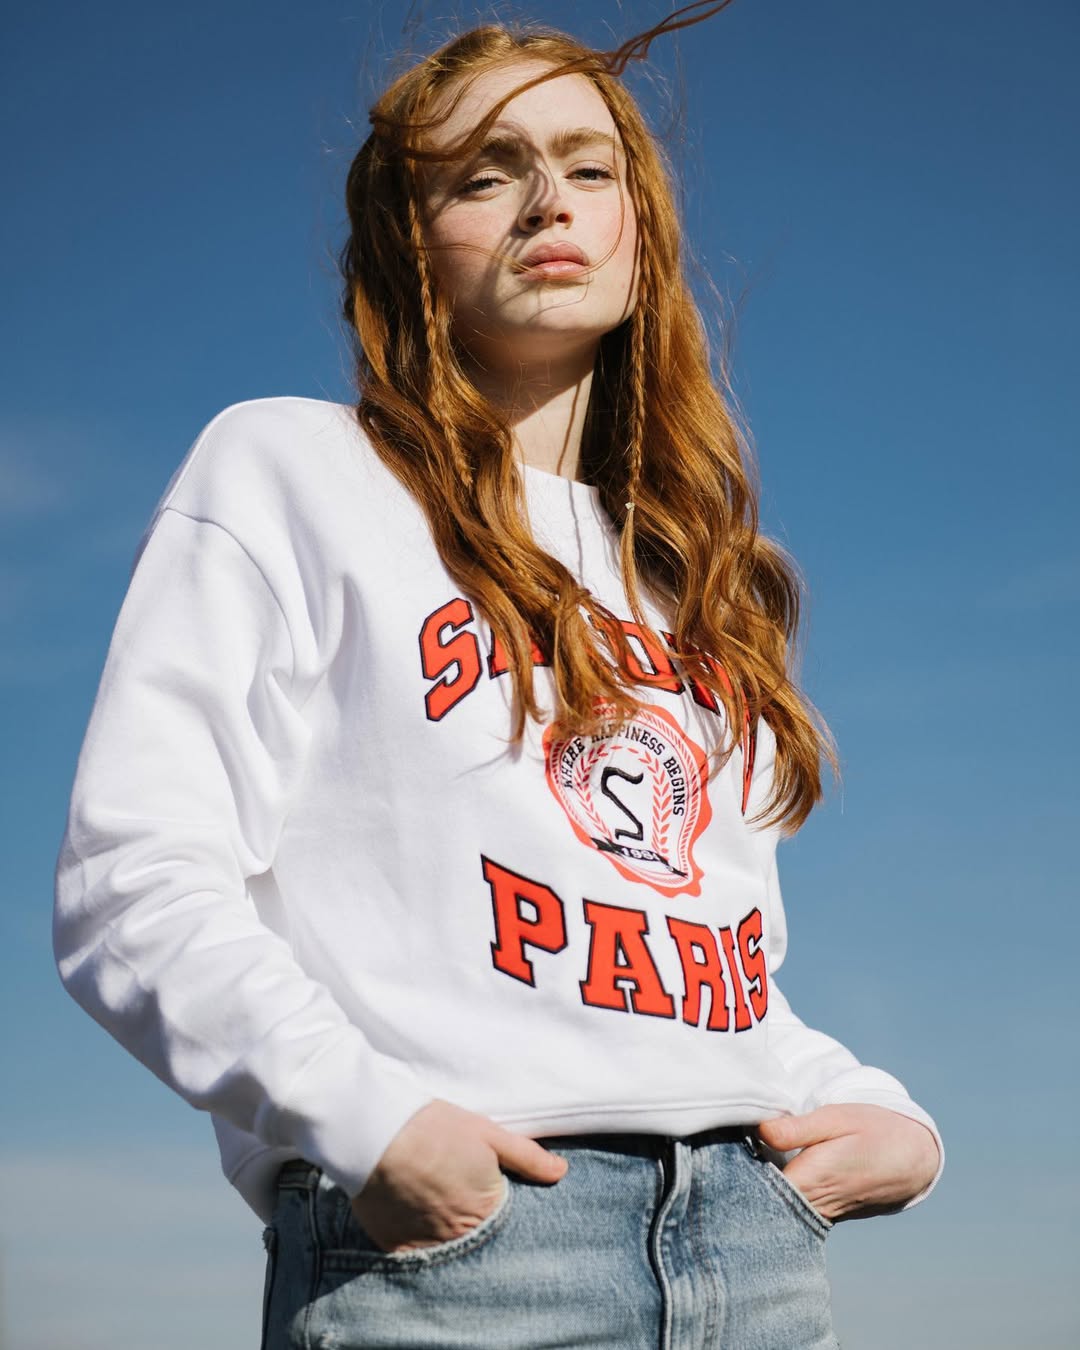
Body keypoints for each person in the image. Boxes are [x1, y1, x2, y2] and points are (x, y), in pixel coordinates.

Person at [54, 9, 942, 1348]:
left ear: (641, 226)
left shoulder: (696, 583)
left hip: (753, 1253)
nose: (548, 202)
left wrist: (886, 1113)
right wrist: (377, 1125)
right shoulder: (295, 471)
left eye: (589, 167)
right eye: (485, 173)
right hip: (464, 1258)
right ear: (408, 244)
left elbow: (692, 971)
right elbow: (133, 880)